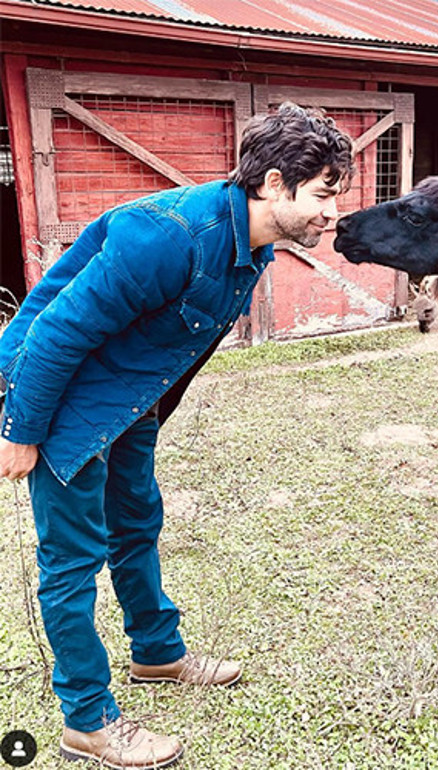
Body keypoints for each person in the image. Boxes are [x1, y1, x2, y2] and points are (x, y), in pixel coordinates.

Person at [0, 102, 354, 769]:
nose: (332, 212)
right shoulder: (168, 237)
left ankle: (156, 653)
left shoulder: (248, 249)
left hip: (129, 398)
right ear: (273, 184)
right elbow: (56, 332)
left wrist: (151, 419)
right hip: (61, 398)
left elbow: (181, 349)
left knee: (137, 522)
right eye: (324, 194)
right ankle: (87, 719)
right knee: (73, 560)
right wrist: (21, 431)